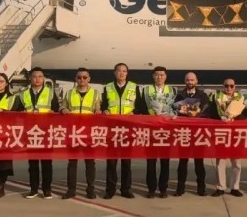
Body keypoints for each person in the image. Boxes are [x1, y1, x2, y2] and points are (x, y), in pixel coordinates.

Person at [18, 67, 60, 199]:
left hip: (46, 131)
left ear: (43, 79)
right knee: (33, 163)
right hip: (31, 131)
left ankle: (47, 189)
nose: (37, 79)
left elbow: (56, 109)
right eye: (34, 76)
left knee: (46, 162)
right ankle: (33, 189)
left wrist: (54, 113)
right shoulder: (23, 94)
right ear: (30, 78)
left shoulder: (50, 92)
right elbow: (18, 111)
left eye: (40, 76)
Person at [61, 67, 102, 199]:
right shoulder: (69, 93)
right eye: (79, 77)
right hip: (74, 132)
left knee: (90, 163)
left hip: (88, 133)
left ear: (89, 79)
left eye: (84, 77)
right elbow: (62, 106)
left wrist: (98, 111)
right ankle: (71, 190)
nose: (82, 80)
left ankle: (90, 189)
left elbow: (98, 109)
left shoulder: (95, 93)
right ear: (76, 79)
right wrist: (63, 109)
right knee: (72, 163)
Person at [135, 66, 176, 199]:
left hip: (166, 130)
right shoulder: (146, 90)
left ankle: (163, 189)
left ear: (166, 76)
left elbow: (176, 107)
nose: (159, 77)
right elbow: (140, 107)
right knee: (151, 161)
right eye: (157, 75)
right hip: (151, 129)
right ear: (153, 76)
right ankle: (151, 189)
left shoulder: (173, 90)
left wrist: (171, 115)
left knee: (165, 161)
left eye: (162, 75)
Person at [102, 63, 137, 199]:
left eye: (124, 71)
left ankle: (125, 189)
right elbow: (104, 105)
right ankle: (110, 189)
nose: (121, 73)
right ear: (114, 73)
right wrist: (105, 110)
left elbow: (139, 106)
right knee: (111, 161)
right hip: (112, 128)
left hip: (128, 128)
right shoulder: (108, 87)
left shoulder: (134, 87)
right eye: (119, 71)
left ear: (127, 73)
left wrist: (135, 113)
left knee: (126, 161)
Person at [173, 72, 210, 196]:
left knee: (199, 162)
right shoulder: (179, 96)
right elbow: (174, 110)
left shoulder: (203, 96)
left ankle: (201, 188)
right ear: (185, 81)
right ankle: (180, 188)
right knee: (183, 162)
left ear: (196, 81)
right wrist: (183, 112)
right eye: (188, 80)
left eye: (192, 80)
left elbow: (207, 111)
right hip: (184, 132)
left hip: (198, 133)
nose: (190, 82)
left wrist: (197, 114)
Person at [208, 77, 244, 197]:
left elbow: (245, 115)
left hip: (236, 134)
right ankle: (220, 187)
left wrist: (234, 119)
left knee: (236, 163)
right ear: (223, 86)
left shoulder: (240, 98)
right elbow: (211, 114)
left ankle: (235, 187)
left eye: (231, 86)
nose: (229, 88)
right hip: (221, 133)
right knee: (220, 162)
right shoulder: (217, 97)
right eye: (226, 86)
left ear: (235, 87)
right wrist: (221, 119)